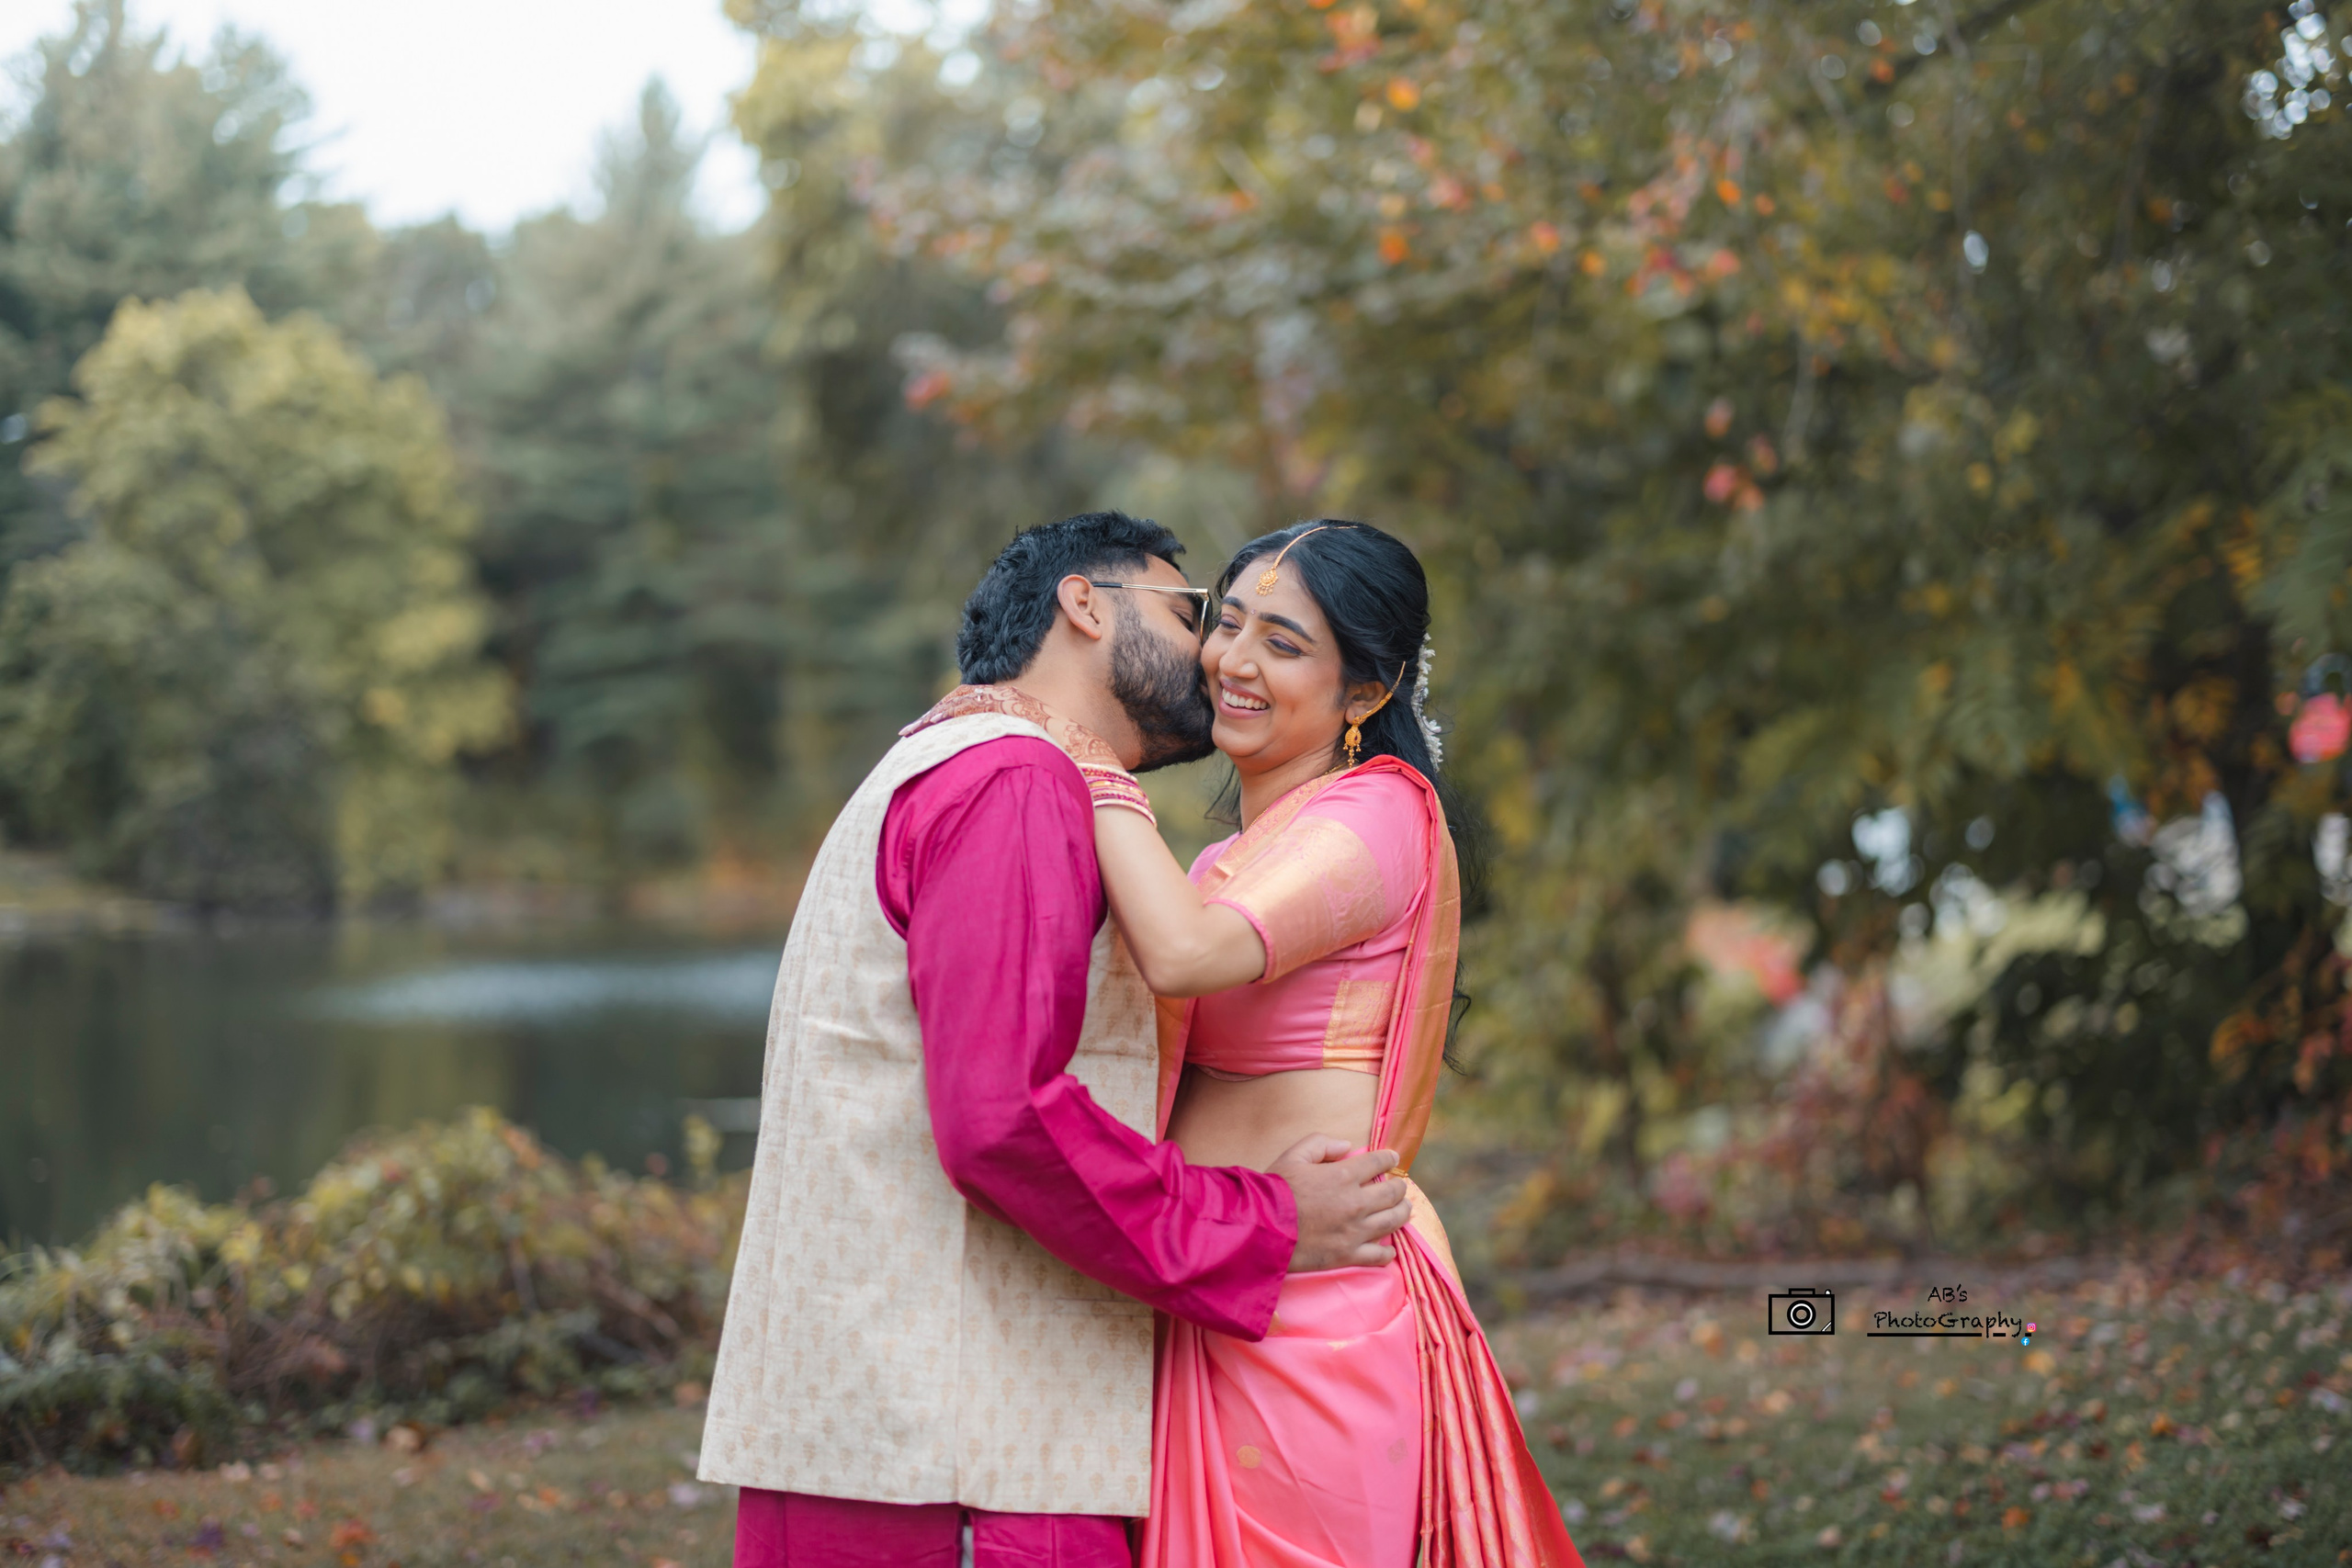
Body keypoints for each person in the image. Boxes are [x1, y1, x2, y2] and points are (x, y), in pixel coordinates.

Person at [696, 511, 1413, 1568]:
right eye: (1193, 614)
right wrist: (1261, 1223)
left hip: (881, 1445)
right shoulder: (1016, 782)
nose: (1214, 655)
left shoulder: (941, 759)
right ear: (1085, 604)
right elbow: (1000, 1120)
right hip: (963, 1464)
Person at [1062, 521, 1584, 1568]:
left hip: (1310, 1310)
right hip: (1214, 1274)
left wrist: (1080, 752)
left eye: (1285, 644)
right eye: (1231, 623)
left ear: (1364, 693)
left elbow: (1186, 953)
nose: (1233, 662)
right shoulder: (1228, 854)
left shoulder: (1379, 817)